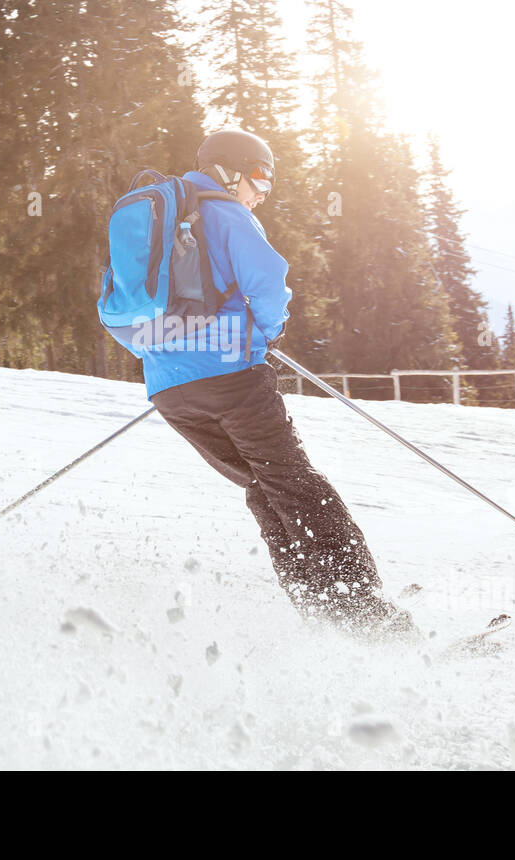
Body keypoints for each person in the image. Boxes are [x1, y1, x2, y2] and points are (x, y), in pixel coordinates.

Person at [143, 129, 414, 640]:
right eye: (260, 176)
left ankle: (324, 615)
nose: (264, 191)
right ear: (227, 169)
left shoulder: (157, 217)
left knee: (263, 489)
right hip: (231, 380)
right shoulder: (224, 212)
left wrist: (171, 361)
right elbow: (268, 280)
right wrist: (266, 333)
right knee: (297, 487)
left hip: (170, 392)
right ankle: (370, 621)